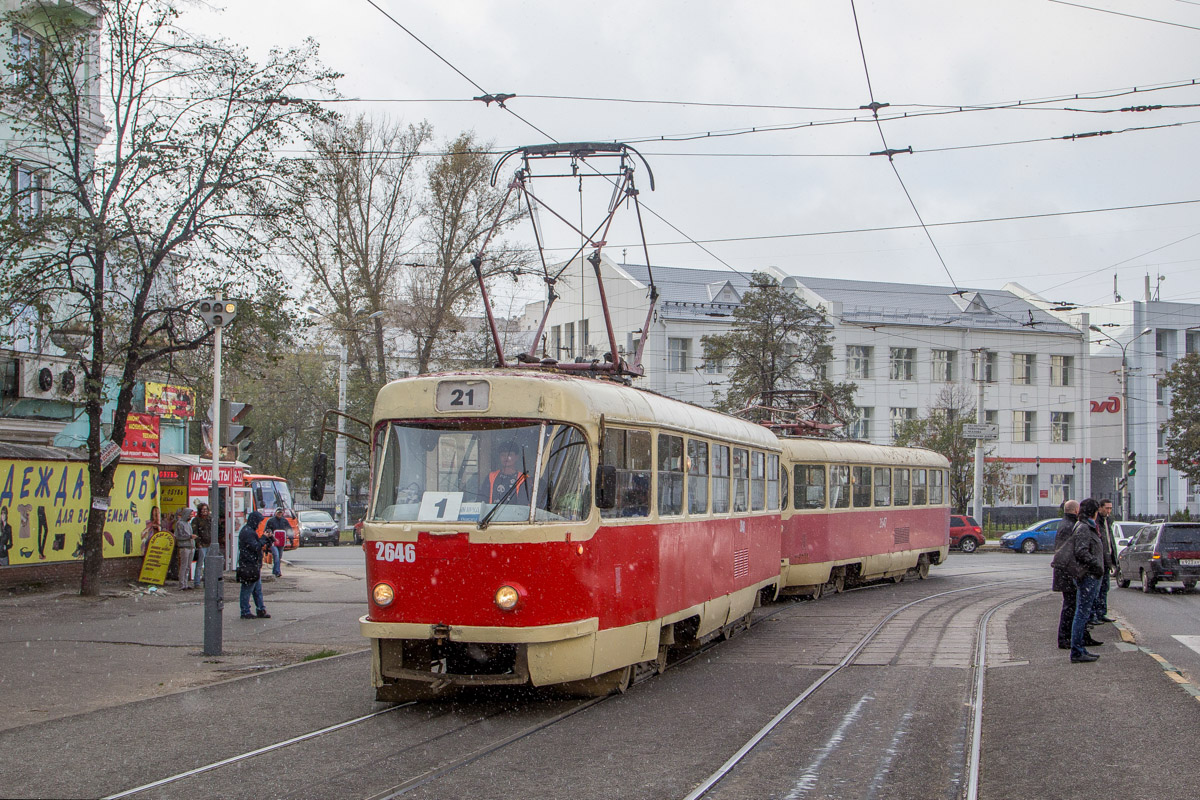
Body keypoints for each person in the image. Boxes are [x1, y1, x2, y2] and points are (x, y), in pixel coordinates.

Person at [1052, 497, 1105, 663]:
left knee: (1080, 611)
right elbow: (1081, 551)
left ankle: (1079, 646)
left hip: (1088, 574)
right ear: (1094, 512)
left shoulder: (1084, 526)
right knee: (1080, 612)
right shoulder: (1083, 527)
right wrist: (1096, 565)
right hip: (1086, 575)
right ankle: (1076, 649)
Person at [1052, 500, 1088, 650]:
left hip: (1064, 571)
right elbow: (1069, 552)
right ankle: (1064, 637)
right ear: (1075, 511)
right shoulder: (1070, 526)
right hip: (1067, 572)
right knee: (1070, 606)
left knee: (1070, 605)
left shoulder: (1064, 523)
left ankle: (1069, 636)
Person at [237, 510, 271, 620]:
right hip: (249, 565)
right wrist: (263, 538)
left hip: (253, 564)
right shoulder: (248, 532)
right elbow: (256, 546)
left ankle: (261, 609)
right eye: (259, 521)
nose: (259, 524)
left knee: (257, 589)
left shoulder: (249, 530)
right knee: (247, 589)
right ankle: (245, 611)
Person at [1091, 499, 1119, 625]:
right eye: (1106, 508)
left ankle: (1102, 613)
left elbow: (1109, 541)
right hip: (1099, 561)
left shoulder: (1107, 521)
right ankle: (1095, 615)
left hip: (1106, 561)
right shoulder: (1096, 522)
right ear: (1100, 508)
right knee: (1096, 590)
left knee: (1104, 588)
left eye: (1110, 508)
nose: (1108, 511)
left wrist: (1113, 559)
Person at [172, 507, 197, 590]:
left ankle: (185, 583)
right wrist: (189, 537)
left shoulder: (188, 524)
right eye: (190, 514)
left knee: (187, 566)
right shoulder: (180, 523)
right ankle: (181, 584)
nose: (191, 516)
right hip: (184, 546)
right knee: (184, 565)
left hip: (190, 546)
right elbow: (179, 536)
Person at [264, 508, 289, 577]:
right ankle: (277, 572)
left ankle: (275, 570)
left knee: (279, 557)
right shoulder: (271, 521)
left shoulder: (284, 521)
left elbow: (289, 530)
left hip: (281, 542)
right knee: (276, 555)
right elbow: (267, 530)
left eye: (281, 513)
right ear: (275, 513)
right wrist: (270, 537)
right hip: (273, 542)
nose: (279, 514)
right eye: (278, 513)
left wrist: (291, 539)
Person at [193, 503, 213, 584]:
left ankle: (206, 580)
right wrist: (198, 543)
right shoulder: (196, 520)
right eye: (203, 509)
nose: (205, 511)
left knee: (208, 563)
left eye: (206, 509)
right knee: (200, 564)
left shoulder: (210, 519)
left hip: (210, 543)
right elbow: (195, 532)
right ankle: (197, 581)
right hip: (201, 544)